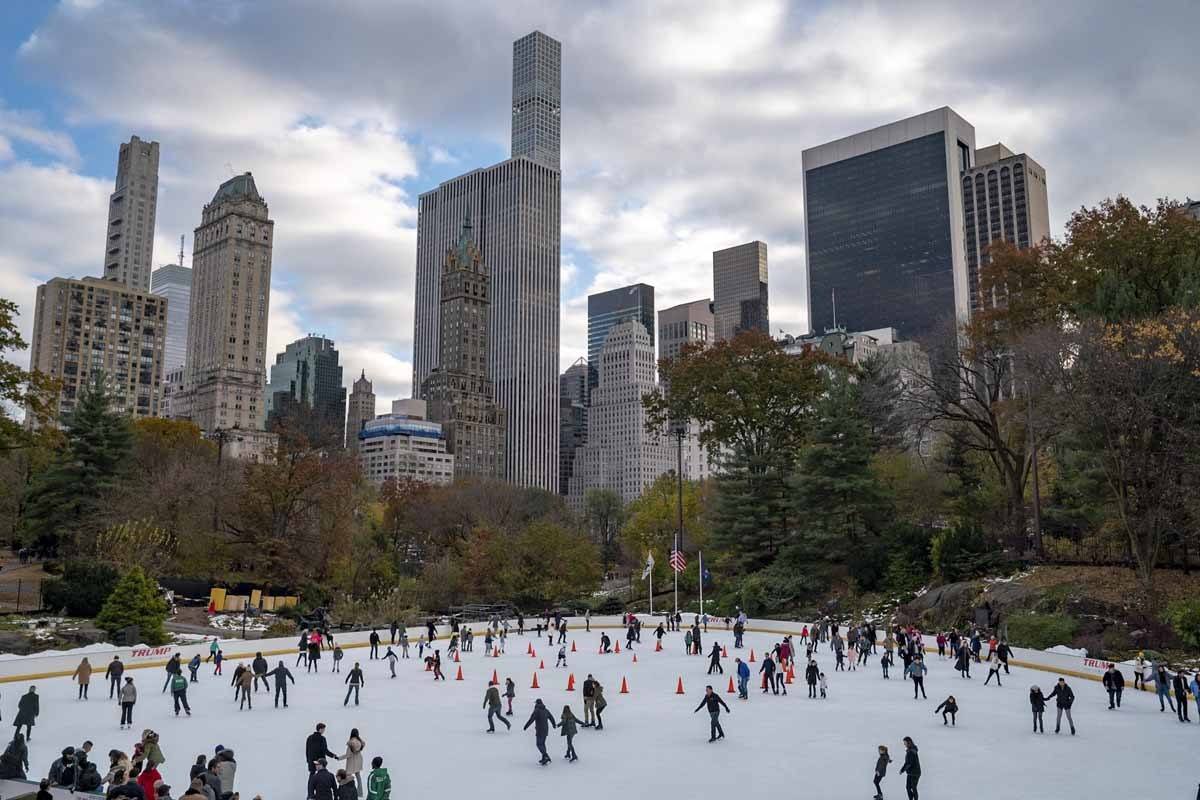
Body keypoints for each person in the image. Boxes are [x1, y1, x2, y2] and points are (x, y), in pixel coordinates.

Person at [523, 699, 558, 766]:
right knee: (543, 743)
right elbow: (551, 717)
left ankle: (545, 756)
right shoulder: (546, 710)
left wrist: (526, 726)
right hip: (546, 730)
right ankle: (544, 758)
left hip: (540, 730)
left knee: (539, 744)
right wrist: (554, 724)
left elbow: (531, 719)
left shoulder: (537, 711)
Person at [343, 729, 365, 795]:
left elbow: (347, 755)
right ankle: (360, 793)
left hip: (352, 762)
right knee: (358, 776)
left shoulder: (351, 743)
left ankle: (346, 792)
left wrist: (338, 758)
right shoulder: (360, 742)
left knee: (347, 776)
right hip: (358, 761)